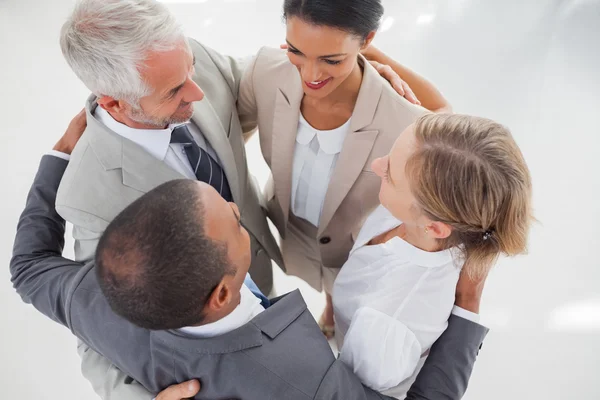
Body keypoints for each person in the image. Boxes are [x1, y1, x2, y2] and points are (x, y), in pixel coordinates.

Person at [53, 0, 420, 397]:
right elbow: (90, 319)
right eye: (176, 90)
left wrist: (359, 73)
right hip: (215, 335)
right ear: (113, 102)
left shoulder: (184, 63)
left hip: (262, 268)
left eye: (190, 67)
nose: (198, 90)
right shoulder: (90, 192)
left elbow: (272, 76)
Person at [10, 132, 489, 399]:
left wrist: (59, 153)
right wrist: (467, 305)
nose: (241, 209)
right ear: (221, 293)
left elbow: (28, 267)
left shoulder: (91, 296)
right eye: (236, 226)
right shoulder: (303, 381)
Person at [236, 0, 452, 336]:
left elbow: (446, 125)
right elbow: (232, 132)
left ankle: (334, 309)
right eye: (297, 51)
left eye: (330, 59)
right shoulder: (265, 70)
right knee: (318, 273)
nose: (310, 75)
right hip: (291, 222)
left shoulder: (405, 121)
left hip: (354, 241)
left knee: (343, 288)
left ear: (367, 40)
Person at [330, 114, 533, 398]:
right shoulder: (417, 206)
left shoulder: (389, 323)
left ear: (435, 226)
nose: (377, 164)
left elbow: (347, 390)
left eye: (390, 174)